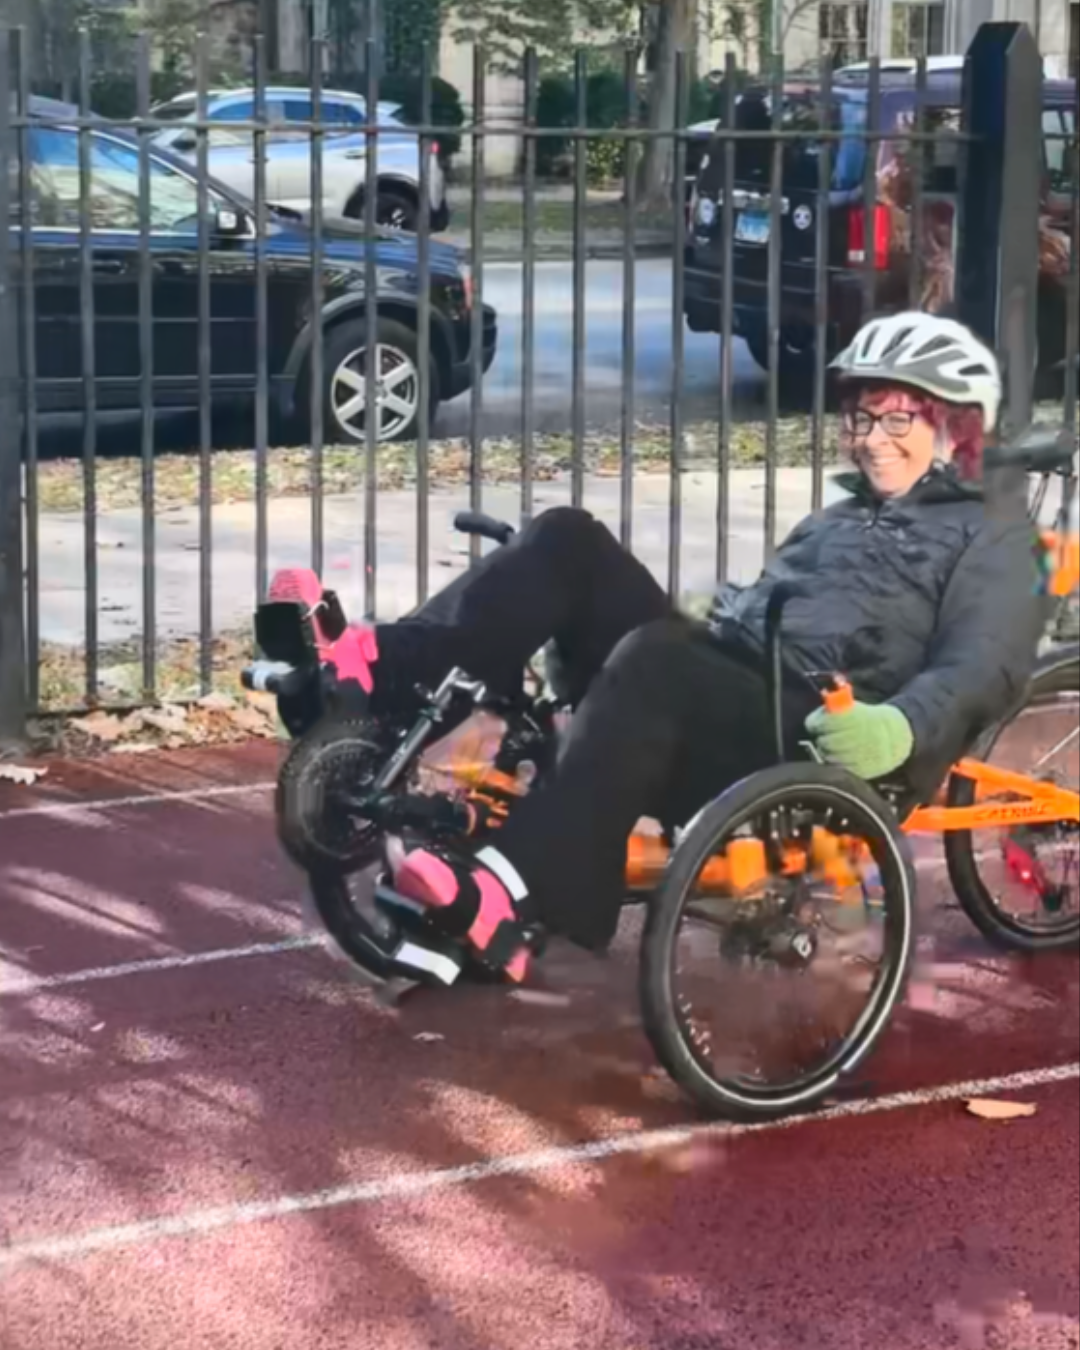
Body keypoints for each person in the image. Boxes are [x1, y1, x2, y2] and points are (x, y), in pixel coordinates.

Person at [274, 312, 1045, 982]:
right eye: (861, 420)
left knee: (654, 657)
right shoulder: (839, 518)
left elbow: (986, 661)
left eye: (896, 421)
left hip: (811, 725)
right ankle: (368, 688)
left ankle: (506, 894)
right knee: (566, 540)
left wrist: (900, 727)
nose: (871, 440)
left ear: (953, 426)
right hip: (732, 673)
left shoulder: (992, 536)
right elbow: (763, 606)